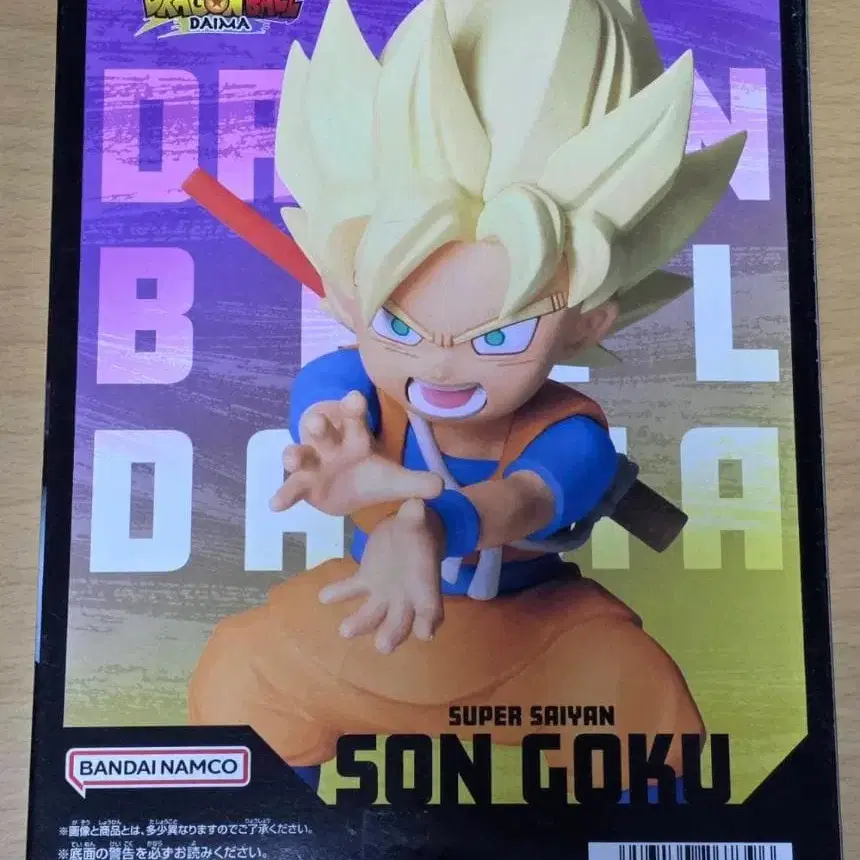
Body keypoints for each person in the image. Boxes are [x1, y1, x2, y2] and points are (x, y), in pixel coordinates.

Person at [188, 0, 746, 796]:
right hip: (365, 618)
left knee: (642, 707)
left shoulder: (570, 436)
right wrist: (323, 428)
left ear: (588, 322)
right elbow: (329, 389)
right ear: (345, 299)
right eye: (398, 324)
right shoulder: (359, 392)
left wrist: (433, 525)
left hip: (536, 647)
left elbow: (526, 499)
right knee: (241, 671)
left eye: (500, 336)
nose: (440, 365)